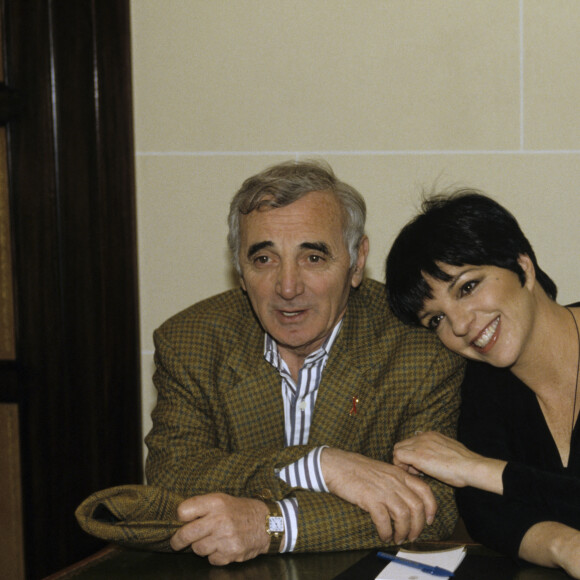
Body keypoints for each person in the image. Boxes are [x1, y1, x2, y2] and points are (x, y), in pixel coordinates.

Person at [145, 159, 464, 566]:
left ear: (356, 261)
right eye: (264, 259)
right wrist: (318, 465)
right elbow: (171, 479)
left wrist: (273, 524)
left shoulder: (418, 350)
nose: (288, 287)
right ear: (239, 271)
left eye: (313, 257)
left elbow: (431, 508)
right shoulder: (190, 343)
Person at [385, 189, 580, 578]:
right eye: (435, 319)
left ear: (523, 267)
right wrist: (564, 545)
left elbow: (484, 480)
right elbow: (488, 514)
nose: (458, 325)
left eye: (467, 287)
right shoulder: (483, 382)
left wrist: (476, 467)